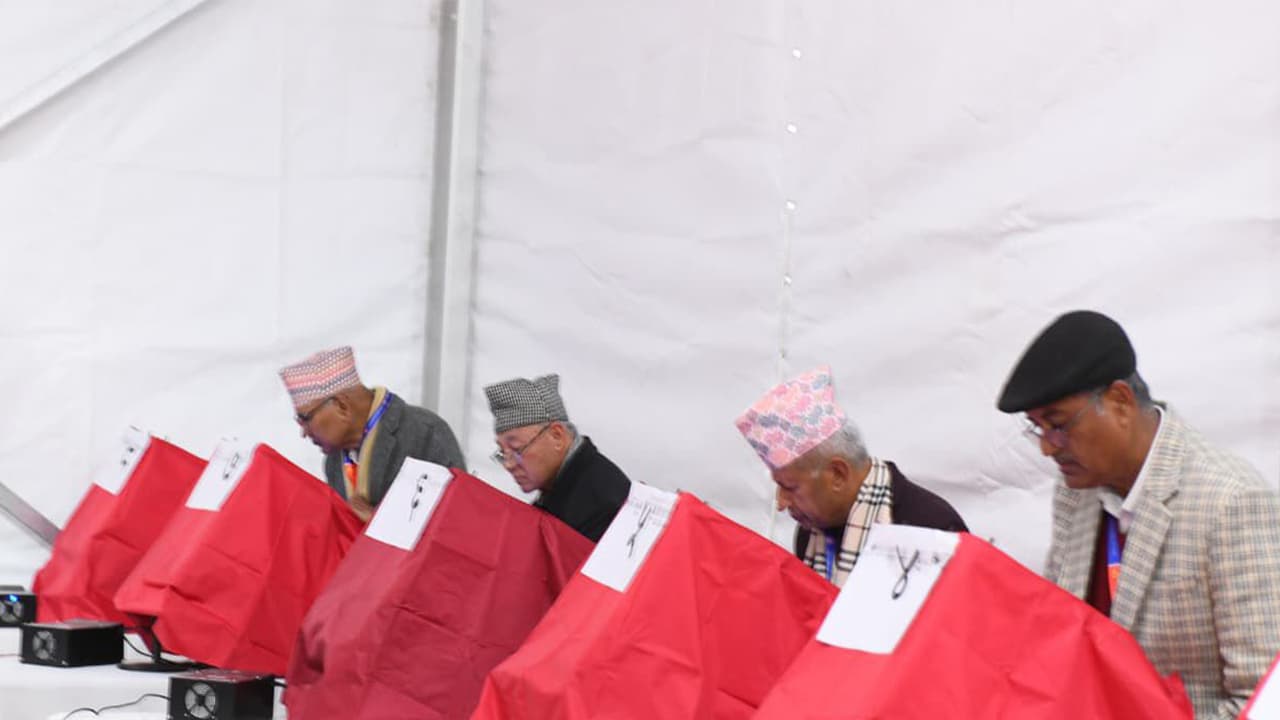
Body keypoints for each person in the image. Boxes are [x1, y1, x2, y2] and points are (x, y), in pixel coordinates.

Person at [997, 309, 1280, 718]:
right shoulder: (1076, 491)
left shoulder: (1231, 503)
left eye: (1058, 425)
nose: (1047, 447)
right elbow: (1058, 639)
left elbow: (1263, 703)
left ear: (1120, 402)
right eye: (1037, 428)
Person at [736, 365, 967, 587]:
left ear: (838, 474)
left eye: (790, 487)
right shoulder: (810, 534)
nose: (781, 503)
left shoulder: (933, 529)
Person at [280, 346, 465, 521]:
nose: (304, 432)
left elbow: (457, 521)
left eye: (306, 418)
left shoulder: (425, 432)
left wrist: (376, 521)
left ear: (342, 406)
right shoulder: (333, 463)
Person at [484, 373, 630, 542]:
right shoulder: (563, 489)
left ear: (557, 436)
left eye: (517, 449)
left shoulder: (602, 505)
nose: (508, 465)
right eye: (502, 453)